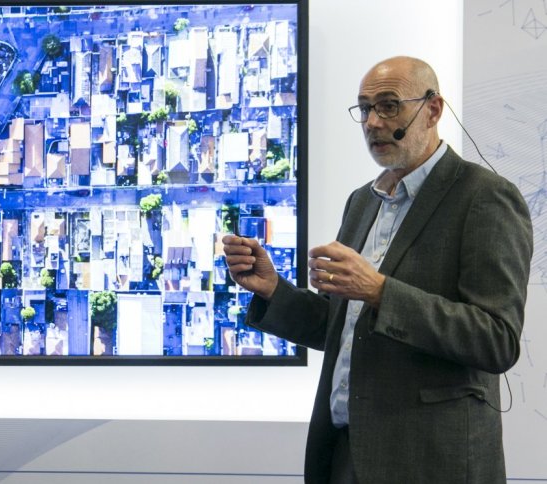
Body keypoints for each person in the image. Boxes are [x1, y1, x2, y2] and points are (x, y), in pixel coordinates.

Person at [222, 56, 533, 484]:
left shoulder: (484, 197)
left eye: (388, 106)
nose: (372, 122)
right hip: (346, 453)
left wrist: (381, 291)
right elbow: (342, 328)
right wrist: (274, 289)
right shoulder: (362, 201)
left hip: (429, 462)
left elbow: (497, 340)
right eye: (365, 108)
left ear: (433, 110)